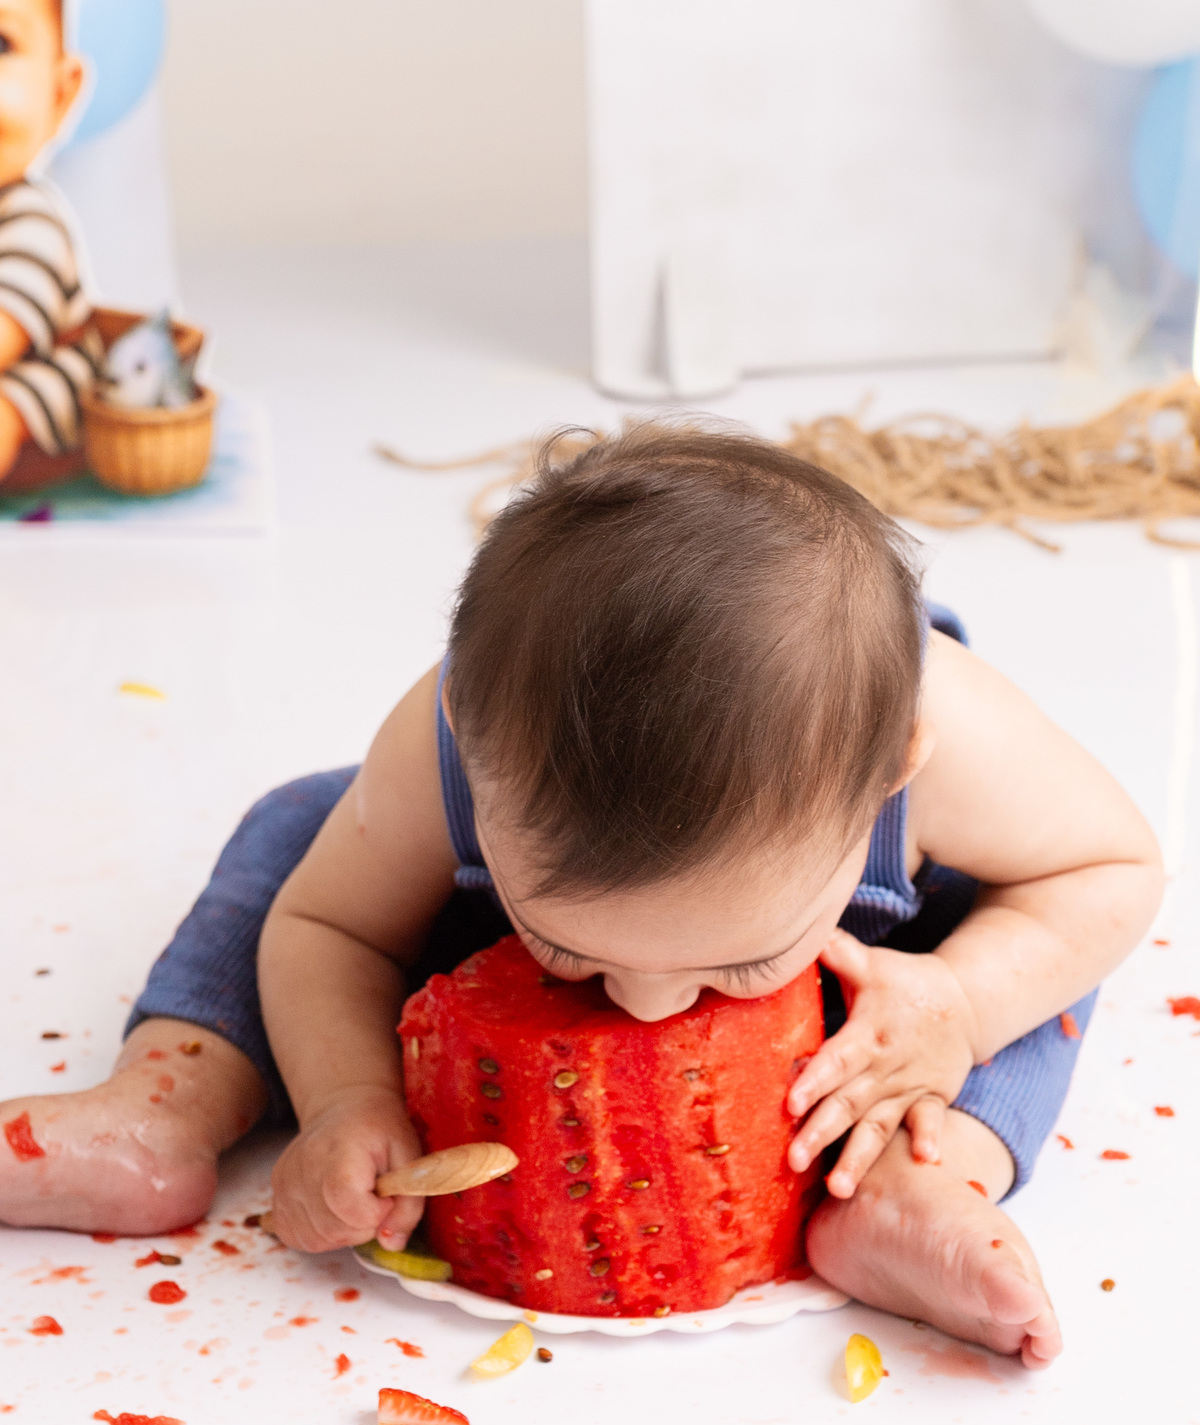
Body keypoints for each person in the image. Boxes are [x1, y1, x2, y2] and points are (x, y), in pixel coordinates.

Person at [0, 427, 1163, 1366]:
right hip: (482, 937)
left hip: (881, 997)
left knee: (1040, 967)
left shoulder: (955, 738)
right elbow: (328, 925)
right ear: (472, 748)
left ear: (889, 776)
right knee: (301, 827)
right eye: (574, 949)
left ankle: (917, 1182)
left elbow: (1114, 869)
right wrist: (347, 1095)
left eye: (738, 961)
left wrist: (957, 1003)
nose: (646, 1005)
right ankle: (171, 1098)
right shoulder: (443, 741)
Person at [0, 0, 100, 482]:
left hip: (43, 376)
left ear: (61, 95)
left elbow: (7, 333)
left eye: (1, 45)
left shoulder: (32, 221)